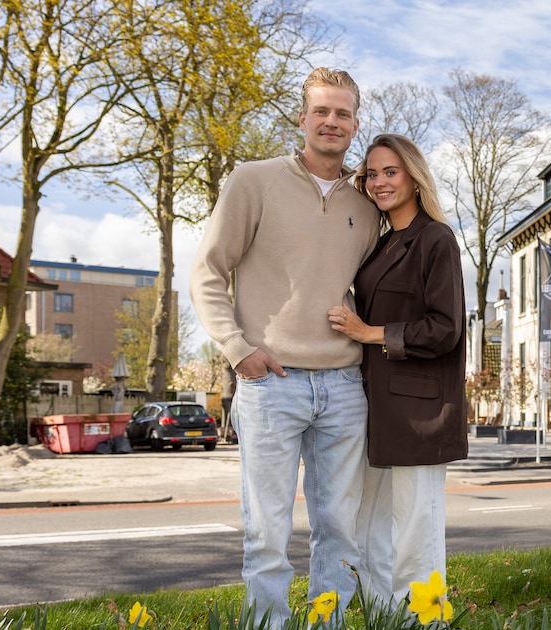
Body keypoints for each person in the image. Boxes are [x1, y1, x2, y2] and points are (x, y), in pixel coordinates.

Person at [189, 67, 380, 627]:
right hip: (270, 383)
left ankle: (329, 624)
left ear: (355, 124)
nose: (331, 121)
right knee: (267, 529)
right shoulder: (253, 180)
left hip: (345, 386)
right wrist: (234, 346)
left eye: (342, 113)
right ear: (301, 118)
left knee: (340, 529)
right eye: (321, 110)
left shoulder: (367, 205)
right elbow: (206, 271)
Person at [327, 133, 468, 605]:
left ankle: (424, 617)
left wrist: (371, 332)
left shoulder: (436, 238)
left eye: (391, 171)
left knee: (416, 530)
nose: (380, 182)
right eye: (372, 174)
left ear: (413, 175)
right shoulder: (382, 242)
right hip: (374, 405)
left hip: (419, 411)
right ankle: (386, 615)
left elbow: (446, 328)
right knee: (371, 527)